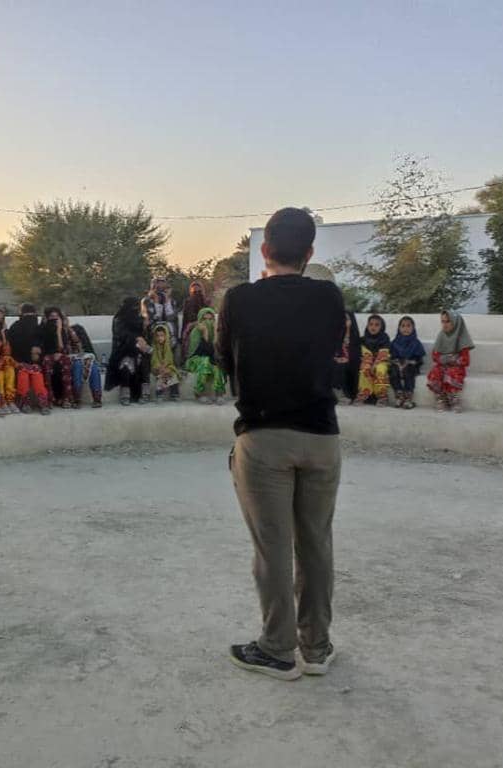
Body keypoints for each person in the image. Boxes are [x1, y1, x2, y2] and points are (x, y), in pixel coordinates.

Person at [217, 207, 344, 681]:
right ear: (310, 253)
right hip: (321, 436)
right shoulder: (330, 298)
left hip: (264, 436)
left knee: (273, 548)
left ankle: (276, 649)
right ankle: (317, 648)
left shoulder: (238, 300)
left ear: (264, 250)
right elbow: (333, 349)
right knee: (316, 546)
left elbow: (224, 360)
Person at [106, 296, 152, 405]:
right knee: (126, 364)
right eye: (133, 307)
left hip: (139, 351)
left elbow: (146, 336)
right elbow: (120, 335)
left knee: (144, 363)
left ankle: (145, 393)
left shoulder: (140, 319)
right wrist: (136, 339)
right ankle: (125, 394)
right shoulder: (119, 319)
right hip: (123, 351)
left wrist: (146, 328)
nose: (135, 309)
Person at [428, 310, 475, 412]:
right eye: (443, 322)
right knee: (435, 371)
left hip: (456, 367)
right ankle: (441, 398)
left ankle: (453, 398)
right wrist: (443, 359)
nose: (445, 325)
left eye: (448, 321)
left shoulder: (462, 338)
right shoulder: (441, 336)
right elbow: (435, 356)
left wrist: (453, 359)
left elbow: (466, 360)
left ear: (456, 323)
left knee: (452, 372)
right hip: (442, 365)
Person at [9, 303, 50, 414]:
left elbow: (43, 345)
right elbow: (12, 348)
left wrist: (38, 354)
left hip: (34, 363)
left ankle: (40, 402)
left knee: (36, 376)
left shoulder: (37, 328)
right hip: (20, 363)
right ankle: (26, 402)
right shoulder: (19, 327)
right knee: (24, 374)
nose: (30, 318)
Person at [185, 307, 227, 404]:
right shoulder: (195, 332)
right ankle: (199, 393)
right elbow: (203, 352)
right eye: (204, 319)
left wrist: (216, 335)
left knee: (217, 364)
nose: (207, 322)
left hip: (210, 358)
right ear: (200, 320)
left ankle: (219, 394)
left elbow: (216, 352)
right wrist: (205, 333)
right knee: (205, 362)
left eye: (210, 319)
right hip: (194, 360)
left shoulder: (216, 331)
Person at [40, 307, 75, 408]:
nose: (54, 319)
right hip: (47, 355)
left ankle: (66, 398)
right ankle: (50, 398)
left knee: (65, 361)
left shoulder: (62, 330)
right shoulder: (43, 330)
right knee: (47, 363)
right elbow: (43, 348)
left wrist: (58, 331)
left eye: (57, 317)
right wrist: (52, 354)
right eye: (52, 317)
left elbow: (61, 347)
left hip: (60, 354)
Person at [65, 316, 103, 408]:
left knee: (93, 366)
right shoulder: (61, 335)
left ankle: (97, 398)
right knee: (78, 365)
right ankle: (77, 398)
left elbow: (88, 351)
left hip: (85, 358)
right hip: (70, 360)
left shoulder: (78, 329)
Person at [389, 316, 426, 410]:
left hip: (411, 366)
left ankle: (408, 398)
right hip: (397, 366)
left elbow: (419, 359)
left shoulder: (416, 343)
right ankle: (399, 394)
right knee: (392, 371)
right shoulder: (394, 342)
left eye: (408, 326)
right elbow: (391, 357)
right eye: (403, 326)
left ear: (413, 328)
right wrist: (397, 363)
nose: (405, 328)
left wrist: (409, 362)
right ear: (399, 328)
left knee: (408, 370)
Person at [357, 314, 391, 406]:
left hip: (381, 361)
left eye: (377, 325)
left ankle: (382, 397)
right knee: (364, 368)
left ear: (382, 326)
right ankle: (364, 394)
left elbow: (383, 354)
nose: (373, 327)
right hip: (368, 362)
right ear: (367, 326)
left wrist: (375, 364)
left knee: (380, 369)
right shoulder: (363, 339)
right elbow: (362, 354)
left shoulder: (384, 338)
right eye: (371, 324)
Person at [141, 275, 179, 352]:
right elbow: (152, 319)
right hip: (152, 337)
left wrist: (167, 300)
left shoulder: (171, 301)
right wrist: (156, 302)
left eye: (163, 283)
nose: (160, 286)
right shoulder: (146, 301)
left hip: (169, 337)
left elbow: (171, 318)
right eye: (158, 283)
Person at [332, 310, 361, 404]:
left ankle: (349, 394)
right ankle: (339, 394)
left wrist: (347, 359)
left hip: (351, 362)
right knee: (338, 365)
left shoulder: (355, 336)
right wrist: (337, 358)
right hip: (337, 361)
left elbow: (357, 353)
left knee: (352, 366)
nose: (344, 321)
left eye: (347, 319)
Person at [150, 322, 181, 402]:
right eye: (157, 336)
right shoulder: (154, 347)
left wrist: (166, 368)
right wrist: (160, 367)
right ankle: (159, 394)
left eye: (162, 336)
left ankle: (174, 393)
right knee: (161, 375)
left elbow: (169, 359)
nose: (160, 338)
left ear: (166, 336)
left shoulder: (168, 347)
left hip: (167, 367)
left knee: (172, 374)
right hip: (156, 368)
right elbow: (154, 359)